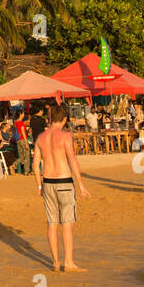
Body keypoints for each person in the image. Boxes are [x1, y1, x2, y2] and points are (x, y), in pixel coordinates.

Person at [34, 103, 89, 272]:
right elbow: (72, 160)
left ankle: (56, 263)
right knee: (67, 224)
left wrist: (39, 185)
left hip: (48, 183)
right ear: (64, 119)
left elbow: (36, 164)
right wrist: (81, 186)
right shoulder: (65, 136)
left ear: (50, 118)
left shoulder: (41, 138)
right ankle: (69, 262)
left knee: (52, 224)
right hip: (64, 181)